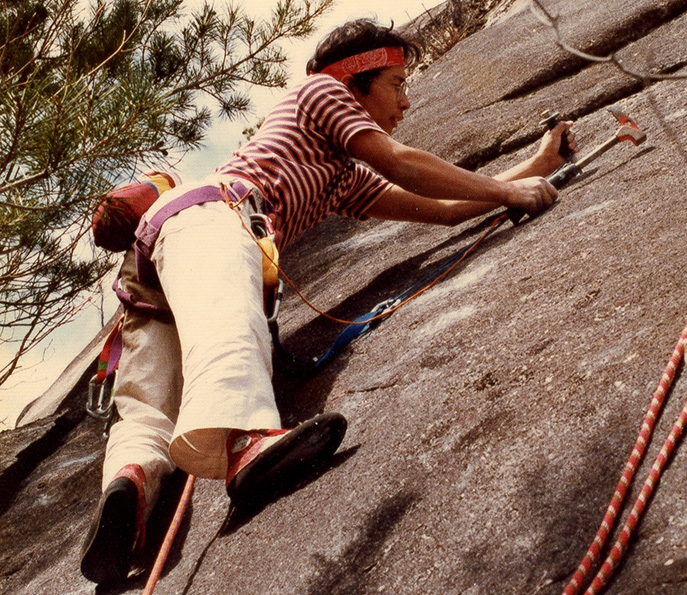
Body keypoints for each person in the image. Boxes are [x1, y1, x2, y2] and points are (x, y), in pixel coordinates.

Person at [80, 18, 575, 584]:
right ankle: (247, 444)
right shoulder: (321, 91)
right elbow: (402, 162)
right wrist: (512, 190)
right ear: (353, 81)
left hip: (159, 256)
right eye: (396, 84)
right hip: (212, 218)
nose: (407, 102)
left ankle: (131, 485)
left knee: (147, 403)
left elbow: (438, 204)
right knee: (229, 327)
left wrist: (536, 167)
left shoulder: (339, 177)